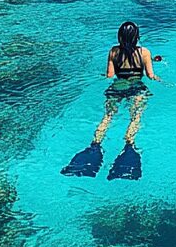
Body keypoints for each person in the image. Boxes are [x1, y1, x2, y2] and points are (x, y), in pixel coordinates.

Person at [62, 21, 160, 180]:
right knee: (135, 117)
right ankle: (129, 144)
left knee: (107, 117)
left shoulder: (113, 51)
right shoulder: (145, 53)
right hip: (136, 88)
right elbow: (150, 75)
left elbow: (109, 75)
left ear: (120, 36)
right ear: (137, 37)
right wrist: (161, 79)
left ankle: (95, 145)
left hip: (117, 87)